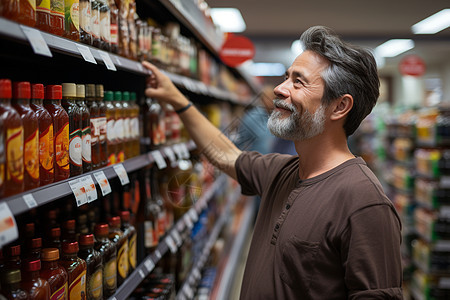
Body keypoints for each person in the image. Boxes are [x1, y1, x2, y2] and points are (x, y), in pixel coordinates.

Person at [143, 25, 403, 299]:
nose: (279, 88)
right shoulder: (281, 172)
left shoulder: (365, 204)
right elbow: (225, 155)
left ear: (339, 107)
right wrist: (177, 100)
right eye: (286, 77)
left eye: (298, 82)